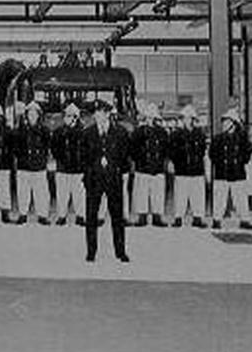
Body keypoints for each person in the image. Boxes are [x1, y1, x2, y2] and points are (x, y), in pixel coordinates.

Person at [81, 100, 130, 263]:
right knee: (91, 217)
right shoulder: (87, 133)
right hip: (94, 179)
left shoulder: (120, 132)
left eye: (100, 112)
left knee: (117, 217)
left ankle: (120, 251)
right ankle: (91, 252)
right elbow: (84, 157)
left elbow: (124, 156)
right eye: (95, 112)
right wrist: (93, 169)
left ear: (108, 113)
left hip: (113, 179)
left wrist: (115, 168)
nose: (96, 115)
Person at [209, 108, 252, 230]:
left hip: (238, 173)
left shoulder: (242, 139)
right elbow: (212, 154)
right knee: (219, 197)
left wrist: (239, 161)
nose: (224, 124)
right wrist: (219, 164)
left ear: (233, 124)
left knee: (241, 198)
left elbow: (247, 154)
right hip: (222, 173)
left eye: (226, 121)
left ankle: (244, 220)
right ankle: (217, 219)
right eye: (223, 121)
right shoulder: (217, 139)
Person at [168, 104, 209, 228]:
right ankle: (178, 217)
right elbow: (172, 151)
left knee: (198, 195)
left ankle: (198, 217)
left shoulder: (200, 134)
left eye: (188, 118)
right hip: (182, 170)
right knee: (180, 195)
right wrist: (172, 163)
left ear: (192, 119)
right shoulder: (176, 135)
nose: (186, 120)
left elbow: (202, 152)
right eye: (184, 118)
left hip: (197, 171)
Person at [130, 103, 170, 227]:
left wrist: (163, 162)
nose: (150, 119)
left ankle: (157, 216)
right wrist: (139, 161)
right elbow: (133, 149)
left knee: (158, 193)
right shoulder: (138, 132)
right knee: (141, 193)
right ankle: (141, 216)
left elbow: (165, 150)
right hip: (142, 168)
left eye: (152, 117)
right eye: (148, 117)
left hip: (158, 169)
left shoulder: (162, 132)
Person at [13, 101, 51, 225]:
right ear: (26, 115)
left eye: (34, 114)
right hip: (24, 167)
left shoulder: (44, 130)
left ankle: (42, 215)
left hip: (39, 167)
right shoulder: (20, 130)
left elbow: (47, 147)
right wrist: (20, 158)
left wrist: (43, 160)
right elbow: (16, 147)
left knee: (41, 193)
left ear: (39, 115)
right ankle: (22, 215)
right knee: (23, 192)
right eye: (30, 114)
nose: (32, 116)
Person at [51, 102, 86, 226]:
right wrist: (61, 159)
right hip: (62, 169)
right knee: (62, 194)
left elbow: (87, 150)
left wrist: (82, 162)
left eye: (71, 116)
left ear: (76, 117)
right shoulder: (58, 132)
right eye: (66, 116)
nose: (68, 118)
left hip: (78, 170)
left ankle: (80, 216)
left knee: (79, 195)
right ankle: (62, 216)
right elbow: (54, 148)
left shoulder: (84, 132)